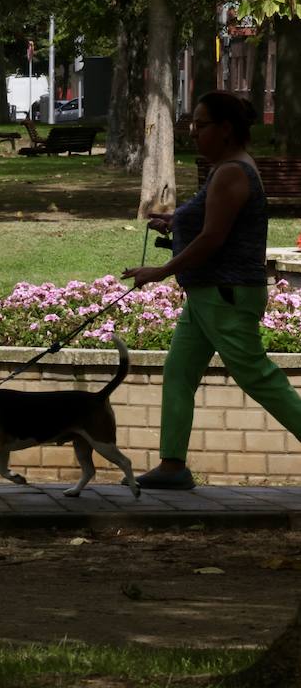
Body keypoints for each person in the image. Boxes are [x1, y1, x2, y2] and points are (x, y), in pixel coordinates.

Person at [122, 91, 301, 489]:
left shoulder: (233, 172)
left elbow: (213, 239)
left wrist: (161, 271)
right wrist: (175, 224)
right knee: (180, 371)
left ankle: (173, 464)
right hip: (209, 294)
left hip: (227, 293)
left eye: (201, 125)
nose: (194, 132)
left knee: (258, 377)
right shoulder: (226, 168)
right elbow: (210, 223)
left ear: (225, 129)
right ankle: (172, 465)